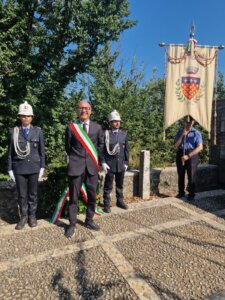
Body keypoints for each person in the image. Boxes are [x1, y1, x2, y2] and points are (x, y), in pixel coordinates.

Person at [65, 100, 104, 238]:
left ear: (91, 110)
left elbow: (100, 147)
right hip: (76, 167)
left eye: (86, 108)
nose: (84, 110)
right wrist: (77, 159)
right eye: (81, 108)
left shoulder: (97, 128)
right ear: (77, 110)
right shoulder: (71, 128)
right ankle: (72, 224)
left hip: (92, 168)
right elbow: (68, 148)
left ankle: (89, 220)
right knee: (73, 198)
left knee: (92, 196)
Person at [8, 101, 45, 230]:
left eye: (28, 116)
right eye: (23, 116)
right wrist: (10, 169)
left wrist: (42, 167)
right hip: (19, 168)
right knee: (22, 194)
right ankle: (23, 217)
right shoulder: (13, 132)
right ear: (19, 117)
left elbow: (41, 151)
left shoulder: (38, 131)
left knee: (33, 194)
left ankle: (32, 216)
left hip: (34, 167)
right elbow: (10, 152)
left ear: (32, 117)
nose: (26, 118)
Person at [102, 110, 129, 213]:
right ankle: (106, 204)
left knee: (120, 184)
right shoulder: (106, 134)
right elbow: (102, 150)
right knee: (108, 186)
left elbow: (126, 149)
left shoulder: (124, 134)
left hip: (121, 164)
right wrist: (103, 162)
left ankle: (120, 201)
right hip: (109, 164)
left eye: (118, 121)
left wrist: (126, 163)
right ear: (110, 123)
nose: (117, 123)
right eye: (114, 121)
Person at [174, 116, 203, 201]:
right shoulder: (180, 132)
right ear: (184, 122)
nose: (188, 124)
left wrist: (188, 156)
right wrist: (182, 135)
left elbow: (200, 147)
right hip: (180, 153)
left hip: (192, 154)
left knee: (191, 174)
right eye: (187, 122)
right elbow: (176, 145)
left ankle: (191, 193)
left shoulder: (197, 133)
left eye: (190, 122)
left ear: (193, 122)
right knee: (181, 174)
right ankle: (181, 192)